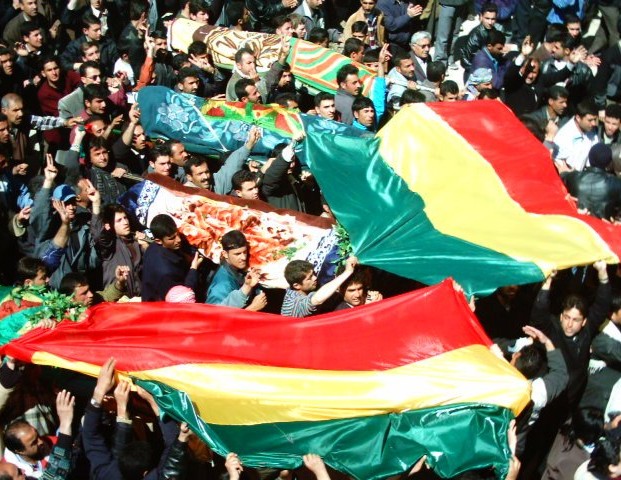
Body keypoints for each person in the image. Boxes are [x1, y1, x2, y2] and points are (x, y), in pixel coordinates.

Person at [83, 357, 190, 479]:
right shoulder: (106, 474)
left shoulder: (107, 473)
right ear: (145, 473)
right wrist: (152, 401)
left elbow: (90, 436)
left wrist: (182, 438)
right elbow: (90, 437)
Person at [141, 213, 202, 301]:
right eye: (172, 238)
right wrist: (193, 268)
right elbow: (184, 297)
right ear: (158, 241)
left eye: (177, 234)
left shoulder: (155, 247)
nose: (178, 240)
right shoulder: (165, 272)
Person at [184, 126, 261, 194]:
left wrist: (250, 143)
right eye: (200, 174)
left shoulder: (216, 183)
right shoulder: (184, 194)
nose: (205, 176)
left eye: (206, 172)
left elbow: (234, 163)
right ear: (189, 177)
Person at [206, 230, 267, 310]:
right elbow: (214, 315)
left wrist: (248, 286)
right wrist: (252, 309)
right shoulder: (222, 285)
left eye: (245, 252)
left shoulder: (236, 269)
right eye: (237, 254)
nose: (243, 257)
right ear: (225, 254)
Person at [281, 256, 358, 317]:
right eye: (309, 278)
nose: (315, 278)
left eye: (313, 274)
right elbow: (317, 300)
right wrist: (348, 272)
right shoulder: (294, 304)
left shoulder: (297, 290)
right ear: (296, 285)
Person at [562, 144, 621, 219]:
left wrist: (565, 173)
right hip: (602, 225)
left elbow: (560, 181)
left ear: (590, 158)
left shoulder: (574, 177)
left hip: (577, 222)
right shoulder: (616, 184)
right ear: (609, 162)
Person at [553, 99, 600, 172]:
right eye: (590, 120)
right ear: (578, 118)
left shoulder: (591, 131)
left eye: (595, 119)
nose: (594, 123)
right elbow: (556, 160)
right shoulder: (563, 136)